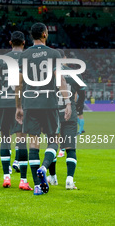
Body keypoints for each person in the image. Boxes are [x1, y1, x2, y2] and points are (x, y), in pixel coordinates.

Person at [15, 23, 72, 195]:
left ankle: (38, 186)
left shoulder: (23, 56)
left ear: (31, 36)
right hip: (49, 103)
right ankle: (44, 167)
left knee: (33, 142)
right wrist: (67, 101)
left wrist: (18, 106)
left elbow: (19, 83)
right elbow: (59, 79)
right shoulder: (54, 54)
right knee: (54, 139)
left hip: (30, 104)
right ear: (45, 34)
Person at [0, 31, 32, 191]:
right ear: (24, 43)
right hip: (22, 103)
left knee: (5, 138)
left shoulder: (1, 61)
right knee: (22, 140)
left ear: (10, 42)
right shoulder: (28, 58)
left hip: (4, 102)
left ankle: (6, 177)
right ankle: (23, 180)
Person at [47, 49, 85, 190]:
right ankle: (69, 180)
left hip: (54, 114)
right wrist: (78, 108)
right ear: (65, 58)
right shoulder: (74, 73)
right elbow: (82, 93)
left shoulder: (48, 75)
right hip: (70, 113)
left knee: (52, 145)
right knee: (70, 148)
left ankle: (53, 177)